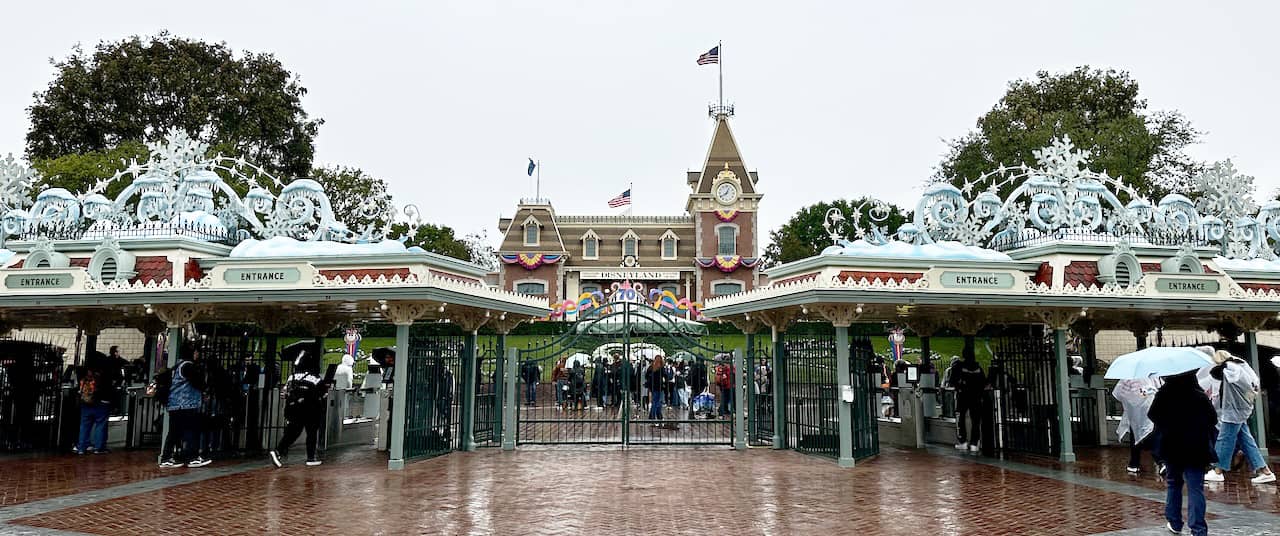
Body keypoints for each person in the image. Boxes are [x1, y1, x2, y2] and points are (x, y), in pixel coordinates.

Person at [1148, 369, 1218, 536]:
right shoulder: (1198, 395)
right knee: (1195, 488)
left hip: (1172, 446)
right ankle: (1198, 529)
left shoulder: (1164, 394)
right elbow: (1212, 419)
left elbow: (1153, 415)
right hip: (1196, 447)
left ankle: (1175, 521)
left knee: (1174, 483)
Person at [1202, 350, 1275, 484]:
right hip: (1241, 408)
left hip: (1234, 409)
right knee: (1246, 441)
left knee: (1225, 439)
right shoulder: (1241, 365)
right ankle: (1264, 470)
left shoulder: (1230, 368)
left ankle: (1218, 470)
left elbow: (1221, 375)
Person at [270, 349, 330, 467]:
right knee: (311, 433)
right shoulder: (315, 378)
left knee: (293, 432)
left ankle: (278, 451)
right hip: (310, 410)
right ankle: (310, 458)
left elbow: (284, 393)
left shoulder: (292, 377)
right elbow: (323, 394)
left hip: (293, 409)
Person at [160, 344, 209, 468]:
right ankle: (193, 457)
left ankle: (166, 457)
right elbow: (198, 382)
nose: (197, 355)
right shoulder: (188, 366)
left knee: (174, 432)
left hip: (174, 404)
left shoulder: (177, 366)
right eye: (196, 352)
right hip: (186, 404)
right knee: (192, 430)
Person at [75, 350, 123, 455]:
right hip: (102, 402)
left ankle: (82, 447)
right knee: (100, 424)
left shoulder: (84, 372)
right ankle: (99, 447)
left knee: (84, 425)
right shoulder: (105, 372)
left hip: (86, 401)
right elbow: (112, 385)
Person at [1113, 377, 1162, 474]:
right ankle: (1159, 461)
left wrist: (1131, 400)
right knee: (1150, 434)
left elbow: (1118, 394)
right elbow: (1158, 389)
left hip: (1134, 413)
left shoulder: (1127, 378)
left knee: (1136, 436)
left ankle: (1134, 463)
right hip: (1149, 410)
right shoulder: (1151, 376)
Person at [949, 351, 986, 453]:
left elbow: (952, 381)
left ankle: (963, 441)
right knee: (976, 420)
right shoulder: (978, 368)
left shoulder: (958, 366)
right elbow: (983, 382)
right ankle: (974, 443)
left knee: (960, 418)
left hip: (962, 396)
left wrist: (959, 387)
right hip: (976, 397)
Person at [645, 355, 666, 422]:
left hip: (652, 386)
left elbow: (646, 376)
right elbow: (665, 376)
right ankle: (653, 416)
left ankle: (657, 415)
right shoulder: (661, 368)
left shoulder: (651, 367)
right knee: (656, 402)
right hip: (659, 386)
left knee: (655, 401)